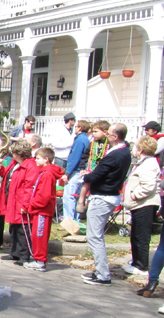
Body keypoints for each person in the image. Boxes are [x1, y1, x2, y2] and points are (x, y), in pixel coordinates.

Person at [81, 123, 132, 286]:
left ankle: (103, 274)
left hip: (103, 197)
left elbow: (97, 175)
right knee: (96, 235)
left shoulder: (115, 155)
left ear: (115, 136)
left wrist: (85, 177)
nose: (107, 136)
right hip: (108, 195)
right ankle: (101, 271)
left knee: (94, 236)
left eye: (109, 134)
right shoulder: (124, 151)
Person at [121, 136, 160, 277]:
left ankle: (142, 266)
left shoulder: (149, 164)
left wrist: (135, 195)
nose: (135, 150)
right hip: (139, 205)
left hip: (145, 204)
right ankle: (135, 262)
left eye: (137, 147)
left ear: (141, 149)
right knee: (136, 234)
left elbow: (148, 185)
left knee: (141, 236)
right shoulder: (143, 162)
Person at [22, 147, 63, 272]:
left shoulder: (47, 174)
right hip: (39, 210)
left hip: (42, 211)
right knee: (36, 235)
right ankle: (38, 259)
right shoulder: (43, 172)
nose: (35, 160)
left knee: (40, 236)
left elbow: (44, 196)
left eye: (38, 158)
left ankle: (40, 261)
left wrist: (31, 205)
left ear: (46, 159)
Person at [2, 140, 36, 266]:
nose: (13, 155)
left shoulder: (30, 166)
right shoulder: (15, 164)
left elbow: (29, 186)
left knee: (23, 229)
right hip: (13, 200)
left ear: (20, 153)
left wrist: (26, 205)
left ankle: (24, 255)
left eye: (14, 153)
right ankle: (14, 252)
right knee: (14, 228)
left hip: (21, 201)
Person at [60, 120, 90, 221]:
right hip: (80, 171)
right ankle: (75, 220)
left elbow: (75, 157)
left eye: (76, 127)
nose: (75, 128)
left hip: (75, 171)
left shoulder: (80, 139)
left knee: (69, 196)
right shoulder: (86, 139)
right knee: (76, 196)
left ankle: (69, 220)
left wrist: (67, 173)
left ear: (80, 128)